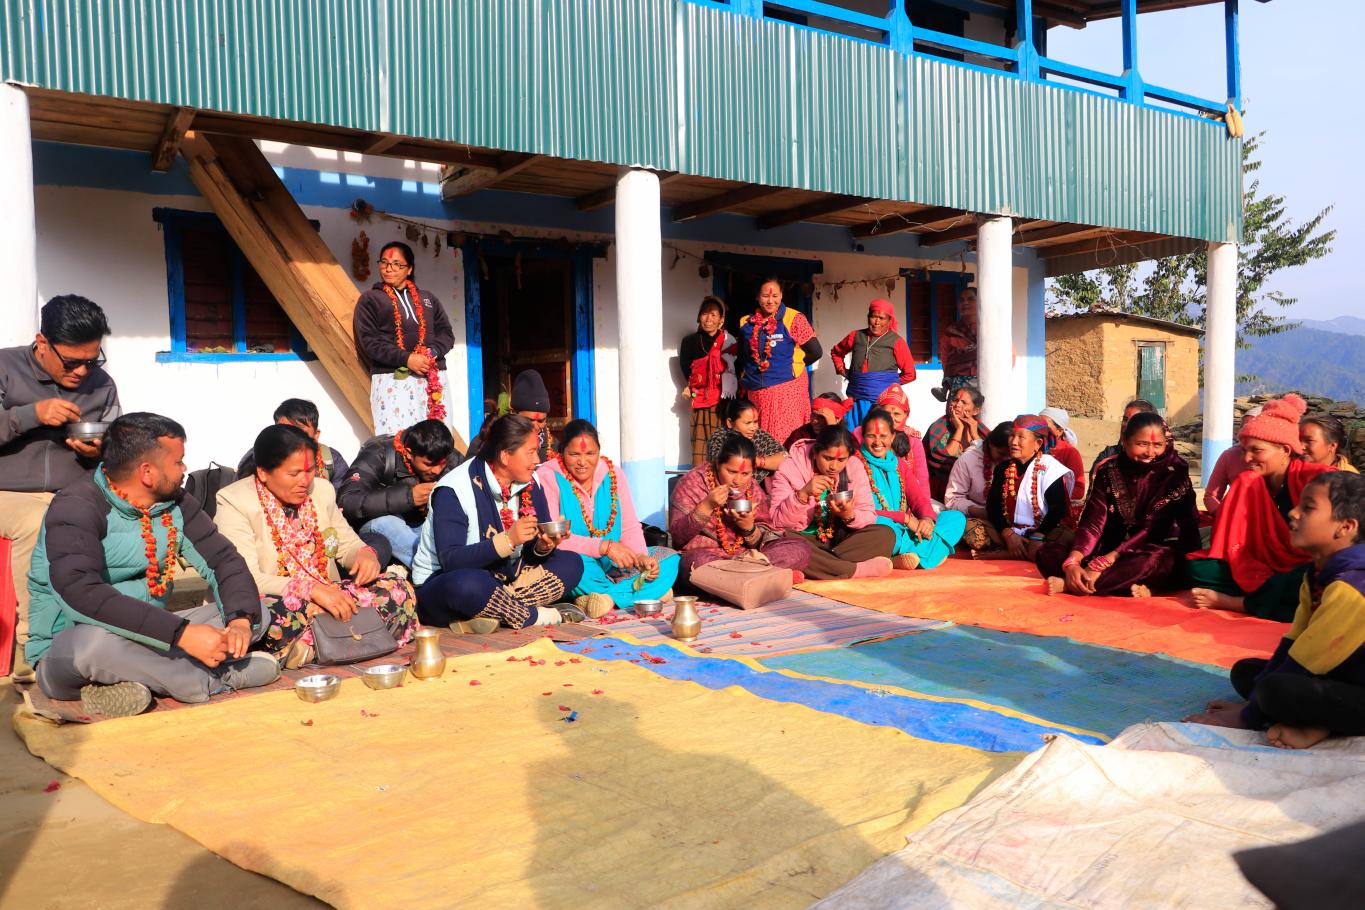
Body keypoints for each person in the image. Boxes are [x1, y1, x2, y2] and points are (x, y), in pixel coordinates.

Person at [25, 413, 277, 717]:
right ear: (147, 472)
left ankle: (131, 684)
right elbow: (81, 594)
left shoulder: (174, 502)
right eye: (178, 462)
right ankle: (215, 679)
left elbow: (223, 560)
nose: (185, 469)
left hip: (154, 635)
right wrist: (182, 635)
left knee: (256, 610)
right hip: (69, 647)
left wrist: (239, 621)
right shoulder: (75, 506)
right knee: (92, 644)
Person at [1184, 472, 1365, 750]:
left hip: (1353, 682)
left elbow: (1306, 660)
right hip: (1343, 674)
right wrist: (1256, 699)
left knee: (1275, 690)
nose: (1293, 513)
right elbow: (1293, 642)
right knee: (1246, 672)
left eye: (1308, 508)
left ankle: (1319, 725)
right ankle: (1312, 720)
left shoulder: (1353, 585)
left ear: (1345, 527)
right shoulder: (1317, 574)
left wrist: (1248, 717)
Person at [215, 425, 419, 668]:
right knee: (268, 615)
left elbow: (344, 544)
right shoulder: (234, 501)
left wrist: (364, 555)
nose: (305, 481)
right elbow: (247, 579)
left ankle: (313, 646)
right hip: (278, 597)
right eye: (294, 474)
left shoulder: (321, 491)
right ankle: (358, 634)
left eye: (310, 470)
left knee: (397, 587)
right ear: (263, 473)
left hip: (329, 591)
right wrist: (310, 590)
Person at [0, 294, 120, 681]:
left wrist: (99, 451)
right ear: (42, 342)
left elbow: (118, 444)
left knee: (123, 523)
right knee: (41, 523)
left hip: (74, 491)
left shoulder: (102, 385)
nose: (83, 372)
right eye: (71, 362)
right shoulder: (5, 369)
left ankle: (112, 635)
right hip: (7, 493)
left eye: (92, 361)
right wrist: (29, 415)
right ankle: (35, 648)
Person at [412, 415, 586, 631]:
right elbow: (451, 561)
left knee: (572, 563)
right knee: (468, 584)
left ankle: (493, 610)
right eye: (531, 452)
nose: (537, 460)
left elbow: (530, 556)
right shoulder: (453, 489)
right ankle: (530, 615)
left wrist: (543, 546)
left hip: (507, 581)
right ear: (505, 455)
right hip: (445, 583)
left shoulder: (531, 481)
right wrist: (508, 540)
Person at [1188, 394, 1336, 621]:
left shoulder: (1317, 478)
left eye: (1256, 451)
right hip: (1259, 564)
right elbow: (1230, 540)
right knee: (1199, 569)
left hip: (1305, 561)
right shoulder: (1248, 482)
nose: (1247, 458)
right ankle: (1271, 595)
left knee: (1309, 579)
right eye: (1243, 450)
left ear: (1285, 450)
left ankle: (1241, 602)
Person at [1039, 412, 1201, 597]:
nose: (1150, 452)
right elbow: (1093, 524)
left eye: (1158, 445)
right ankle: (1096, 581)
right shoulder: (1108, 470)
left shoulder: (1174, 472)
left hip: (1161, 547)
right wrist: (1073, 561)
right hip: (1113, 546)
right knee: (1047, 552)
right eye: (1142, 444)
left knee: (1150, 562)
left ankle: (1074, 584)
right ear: (1125, 441)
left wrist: (1106, 561)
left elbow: (1152, 529)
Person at [536, 420, 680, 616]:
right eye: (574, 454)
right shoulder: (548, 476)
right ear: (561, 452)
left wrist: (640, 557)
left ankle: (606, 599)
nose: (583, 462)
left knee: (669, 558)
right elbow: (554, 539)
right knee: (569, 565)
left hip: (614, 564)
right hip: (580, 564)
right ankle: (644, 592)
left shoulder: (613, 475)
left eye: (590, 454)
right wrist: (604, 547)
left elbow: (629, 525)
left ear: (599, 452)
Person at [669, 433, 811, 586]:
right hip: (710, 558)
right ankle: (762, 578)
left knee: (800, 549)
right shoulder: (693, 483)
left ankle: (739, 581)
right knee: (695, 563)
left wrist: (749, 528)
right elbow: (678, 537)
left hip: (747, 557)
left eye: (745, 474)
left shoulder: (752, 489)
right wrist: (706, 506)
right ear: (717, 464)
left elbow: (766, 538)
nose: (737, 480)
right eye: (731, 472)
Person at [353, 241, 455, 434]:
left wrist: (431, 353)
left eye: (396, 264)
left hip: (432, 376)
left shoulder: (428, 299)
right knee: (397, 438)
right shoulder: (370, 299)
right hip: (393, 379)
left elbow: (446, 334)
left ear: (409, 269)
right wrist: (407, 359)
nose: (388, 269)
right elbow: (370, 342)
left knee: (436, 437)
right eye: (384, 263)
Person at [768, 425, 896, 580]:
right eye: (828, 458)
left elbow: (869, 514)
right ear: (815, 453)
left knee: (886, 535)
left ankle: (823, 565)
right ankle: (854, 569)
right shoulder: (789, 467)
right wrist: (802, 495)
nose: (834, 467)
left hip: (839, 542)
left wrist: (849, 515)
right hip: (804, 539)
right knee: (783, 540)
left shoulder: (854, 466)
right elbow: (777, 521)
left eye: (841, 460)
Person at [338, 419, 456, 569]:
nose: (437, 470)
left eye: (442, 464)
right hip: (377, 526)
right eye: (428, 464)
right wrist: (408, 497)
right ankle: (431, 570)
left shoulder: (445, 453)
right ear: (409, 453)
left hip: (421, 526)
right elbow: (347, 501)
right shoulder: (378, 454)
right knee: (389, 523)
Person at [857, 408, 965, 571]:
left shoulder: (898, 464)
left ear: (893, 436)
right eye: (871, 436)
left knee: (956, 518)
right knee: (885, 531)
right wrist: (906, 519)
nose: (877, 442)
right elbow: (863, 513)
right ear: (863, 436)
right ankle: (934, 553)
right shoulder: (856, 464)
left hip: (907, 528)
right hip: (882, 527)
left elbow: (918, 498)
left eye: (883, 436)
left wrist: (926, 520)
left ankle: (909, 555)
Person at [736, 278, 823, 448]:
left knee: (786, 442)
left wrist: (793, 367)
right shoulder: (746, 323)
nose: (770, 301)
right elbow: (742, 357)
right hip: (757, 394)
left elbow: (815, 352)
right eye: (765, 296)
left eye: (775, 296)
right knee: (759, 443)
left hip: (787, 391)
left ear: (782, 295)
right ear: (757, 297)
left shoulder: (794, 318)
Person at [985, 415, 1076, 561]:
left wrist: (1038, 535)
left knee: (1061, 539)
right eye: (1012, 436)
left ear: (1037, 443)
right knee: (972, 530)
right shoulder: (1002, 468)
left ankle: (1009, 553)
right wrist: (1007, 534)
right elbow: (993, 506)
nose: (1013, 442)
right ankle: (1021, 551)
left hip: (1042, 532)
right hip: (1010, 531)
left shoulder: (1051, 469)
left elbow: (1057, 510)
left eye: (1021, 437)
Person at [830, 299, 915, 429]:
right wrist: (842, 369)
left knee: (876, 433)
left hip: (881, 404)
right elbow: (836, 352)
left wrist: (883, 384)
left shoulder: (897, 342)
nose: (877, 322)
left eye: (881, 318)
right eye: (873, 317)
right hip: (856, 401)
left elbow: (910, 374)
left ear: (889, 320)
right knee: (851, 434)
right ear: (868, 317)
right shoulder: (856, 336)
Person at [236, 399, 351, 491]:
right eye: (284, 430)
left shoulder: (331, 459)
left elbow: (342, 499)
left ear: (316, 435)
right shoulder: (259, 453)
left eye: (300, 432)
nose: (291, 437)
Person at [678, 296, 738, 466]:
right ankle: (700, 481)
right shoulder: (689, 342)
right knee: (700, 449)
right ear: (699, 317)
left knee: (722, 449)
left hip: (722, 404)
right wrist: (691, 387)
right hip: (700, 402)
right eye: (704, 314)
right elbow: (687, 371)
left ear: (721, 320)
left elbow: (737, 369)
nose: (708, 319)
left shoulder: (729, 342)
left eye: (713, 314)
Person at [946, 421, 1012, 553]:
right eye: (1001, 454)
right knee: (977, 536)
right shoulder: (968, 460)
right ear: (991, 444)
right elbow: (952, 499)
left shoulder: (1016, 460)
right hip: (982, 518)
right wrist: (978, 511)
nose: (1005, 459)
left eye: (1009, 455)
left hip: (1012, 520)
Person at [924, 386, 989, 501]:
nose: (958, 405)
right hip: (940, 489)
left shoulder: (981, 432)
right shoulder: (939, 427)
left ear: (976, 411)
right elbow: (943, 457)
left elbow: (987, 458)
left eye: (964, 402)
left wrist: (974, 434)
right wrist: (959, 429)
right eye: (955, 400)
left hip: (976, 493)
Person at [705, 398, 786, 484]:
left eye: (755, 422)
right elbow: (720, 465)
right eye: (748, 423)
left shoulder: (759, 434)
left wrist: (756, 461)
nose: (753, 428)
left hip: (755, 489)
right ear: (730, 423)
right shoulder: (720, 437)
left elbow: (785, 459)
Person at [1203, 405, 1259, 516]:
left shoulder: (1277, 460)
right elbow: (1211, 496)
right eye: (1243, 427)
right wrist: (1226, 517)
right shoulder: (1229, 456)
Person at [1089, 399, 1157, 484]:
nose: (1126, 424)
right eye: (1125, 419)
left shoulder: (1160, 461)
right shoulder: (1107, 457)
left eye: (1133, 420)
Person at [931, 286, 978, 402]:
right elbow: (945, 361)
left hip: (983, 385)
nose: (965, 303)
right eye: (961, 300)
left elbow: (1007, 355)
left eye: (970, 299)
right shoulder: (951, 331)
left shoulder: (989, 329)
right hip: (957, 386)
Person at [1039, 406, 1087, 503]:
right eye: (1038, 425)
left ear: (1060, 431)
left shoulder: (1070, 452)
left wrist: (1049, 497)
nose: (1040, 430)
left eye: (1045, 427)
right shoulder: (1034, 448)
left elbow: (1079, 490)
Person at [511, 369, 555, 462]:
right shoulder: (497, 443)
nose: (534, 426)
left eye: (541, 421)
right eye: (529, 420)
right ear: (514, 414)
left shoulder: (554, 447)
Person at [783, 393, 853, 449]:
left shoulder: (846, 439)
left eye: (821, 417)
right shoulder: (800, 435)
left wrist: (832, 428)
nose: (814, 420)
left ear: (838, 419)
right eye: (813, 414)